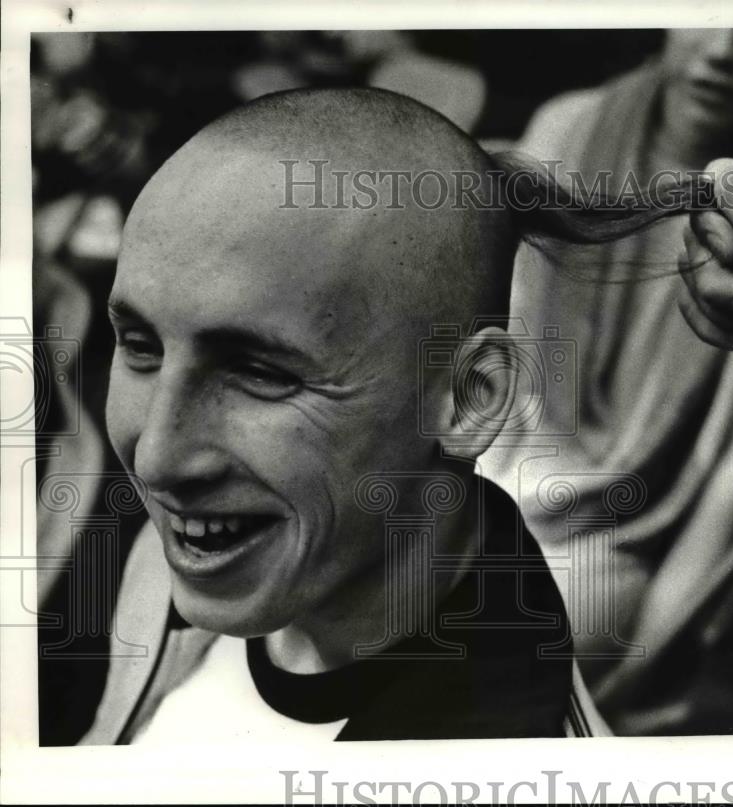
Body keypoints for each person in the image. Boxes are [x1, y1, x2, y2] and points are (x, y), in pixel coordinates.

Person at [81, 88, 612, 743]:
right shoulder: (210, 547)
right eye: (140, 346)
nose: (159, 458)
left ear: (470, 397)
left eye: (261, 372)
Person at [478, 28, 733, 734]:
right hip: (503, 474)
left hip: (635, 535)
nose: (724, 48)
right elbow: (502, 366)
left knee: (482, 656)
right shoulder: (569, 125)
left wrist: (646, 660)